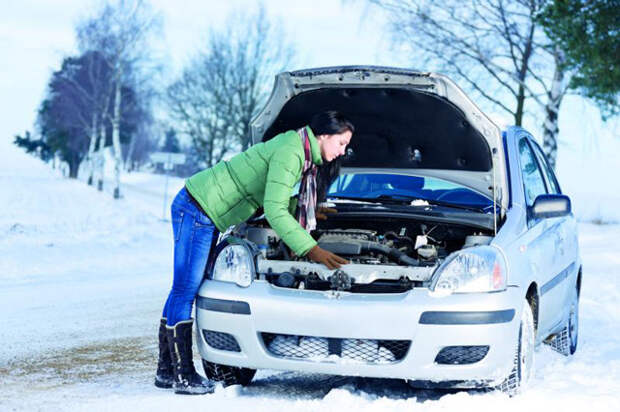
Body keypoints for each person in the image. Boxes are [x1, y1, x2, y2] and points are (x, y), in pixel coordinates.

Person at [154, 111, 354, 394]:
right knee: (185, 289)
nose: (343, 151)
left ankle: (166, 371)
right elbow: (274, 209)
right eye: (341, 143)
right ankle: (183, 374)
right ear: (323, 136)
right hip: (198, 207)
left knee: (182, 289)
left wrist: (307, 206)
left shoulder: (296, 147)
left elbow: (274, 191)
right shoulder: (292, 152)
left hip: (205, 209)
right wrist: (311, 249)